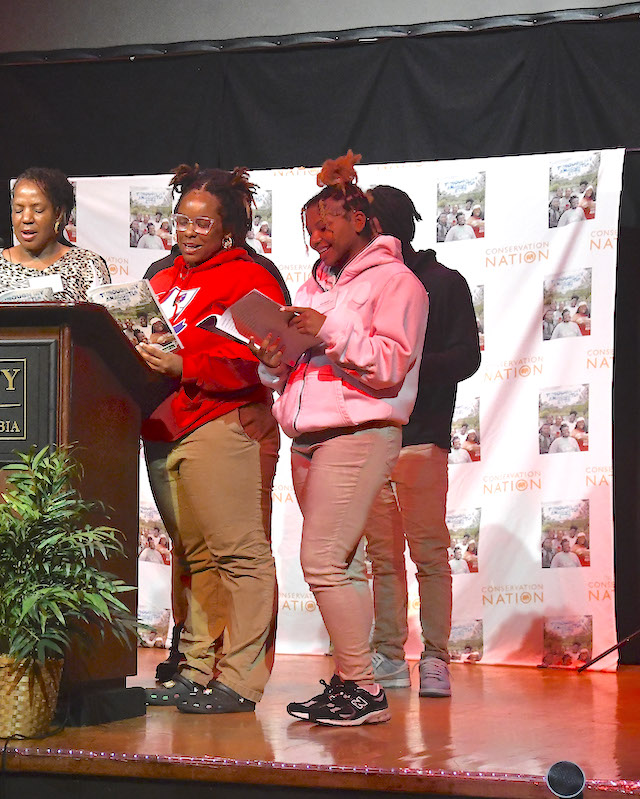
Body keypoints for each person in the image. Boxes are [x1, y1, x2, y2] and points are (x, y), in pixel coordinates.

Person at [248, 151, 428, 726]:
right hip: (307, 438)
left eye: (326, 224)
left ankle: (366, 688)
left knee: (322, 561)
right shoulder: (312, 285)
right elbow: (294, 372)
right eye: (309, 229)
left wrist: (327, 330)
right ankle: (353, 684)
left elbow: (391, 366)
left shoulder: (399, 282)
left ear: (359, 220)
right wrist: (273, 361)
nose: (317, 236)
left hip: (360, 432)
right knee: (342, 566)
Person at [141, 164, 285, 715]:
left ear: (227, 229)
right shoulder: (161, 279)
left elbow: (260, 357)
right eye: (182, 220)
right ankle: (196, 668)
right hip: (161, 428)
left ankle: (242, 679)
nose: (189, 230)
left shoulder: (248, 277)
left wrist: (186, 363)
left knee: (239, 556)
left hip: (217, 425)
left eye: (203, 223)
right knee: (196, 557)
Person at [360, 185, 481, 699]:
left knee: (428, 553)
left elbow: (467, 357)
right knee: (382, 557)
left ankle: (435, 656)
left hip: (422, 436)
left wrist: (402, 370)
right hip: (368, 436)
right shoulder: (359, 283)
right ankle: (387, 655)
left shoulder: (443, 282)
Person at [0, 167, 109, 302]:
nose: (26, 219)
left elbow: (105, 326)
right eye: (18, 210)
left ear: (58, 214)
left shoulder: (86, 265)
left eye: (37, 210)